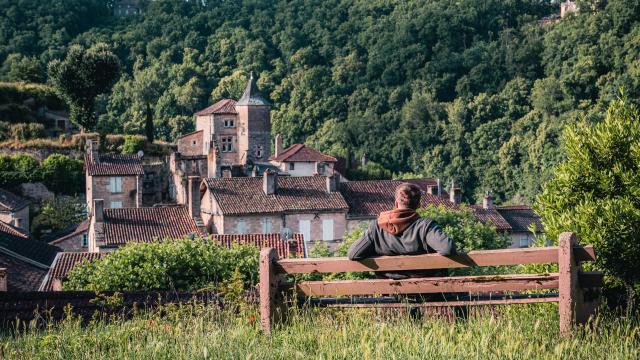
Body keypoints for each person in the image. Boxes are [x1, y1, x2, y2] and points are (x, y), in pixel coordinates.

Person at [347, 182, 456, 279]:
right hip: (427, 292)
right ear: (418, 205)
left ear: (396, 203)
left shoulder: (377, 227)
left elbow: (353, 254)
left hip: (393, 292)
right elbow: (448, 249)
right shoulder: (425, 226)